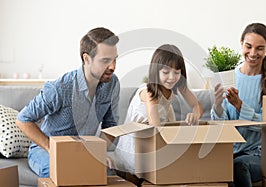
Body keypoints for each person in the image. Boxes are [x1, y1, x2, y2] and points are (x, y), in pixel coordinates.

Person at [16, 27, 120, 179]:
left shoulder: (112, 83)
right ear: (87, 59)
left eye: (115, 59)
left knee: (108, 173)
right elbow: (23, 119)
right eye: (105, 60)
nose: (113, 67)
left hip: (83, 150)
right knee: (57, 170)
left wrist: (98, 153)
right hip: (44, 150)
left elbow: (111, 125)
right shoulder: (60, 88)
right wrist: (51, 148)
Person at [112, 44, 204, 176]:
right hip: (137, 144)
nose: (172, 77)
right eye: (166, 72)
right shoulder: (149, 92)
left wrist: (194, 114)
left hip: (155, 138)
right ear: (156, 72)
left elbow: (197, 106)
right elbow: (155, 126)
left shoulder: (179, 86)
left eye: (176, 72)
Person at [210, 23, 266, 187]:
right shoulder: (229, 77)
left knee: (239, 165)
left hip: (258, 154)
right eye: (248, 46)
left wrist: (240, 105)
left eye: (259, 48)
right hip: (229, 151)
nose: (253, 53)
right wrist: (216, 105)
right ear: (241, 44)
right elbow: (222, 124)